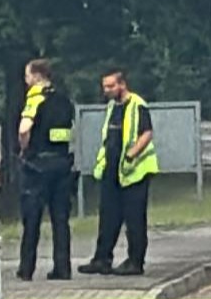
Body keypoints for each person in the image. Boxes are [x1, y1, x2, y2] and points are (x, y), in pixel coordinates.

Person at [81, 68, 157, 276]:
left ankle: (135, 262)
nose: (107, 90)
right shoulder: (112, 107)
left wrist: (132, 154)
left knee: (134, 219)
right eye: (105, 86)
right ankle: (101, 259)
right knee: (108, 217)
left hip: (135, 171)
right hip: (113, 170)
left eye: (111, 86)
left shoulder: (137, 105)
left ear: (122, 84)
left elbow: (146, 133)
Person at [15, 58, 75, 281]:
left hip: (37, 165)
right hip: (61, 164)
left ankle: (26, 268)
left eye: (27, 75)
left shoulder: (35, 98)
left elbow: (24, 128)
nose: (26, 80)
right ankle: (63, 267)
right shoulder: (64, 100)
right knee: (60, 219)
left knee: (32, 218)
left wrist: (24, 147)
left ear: (37, 77)